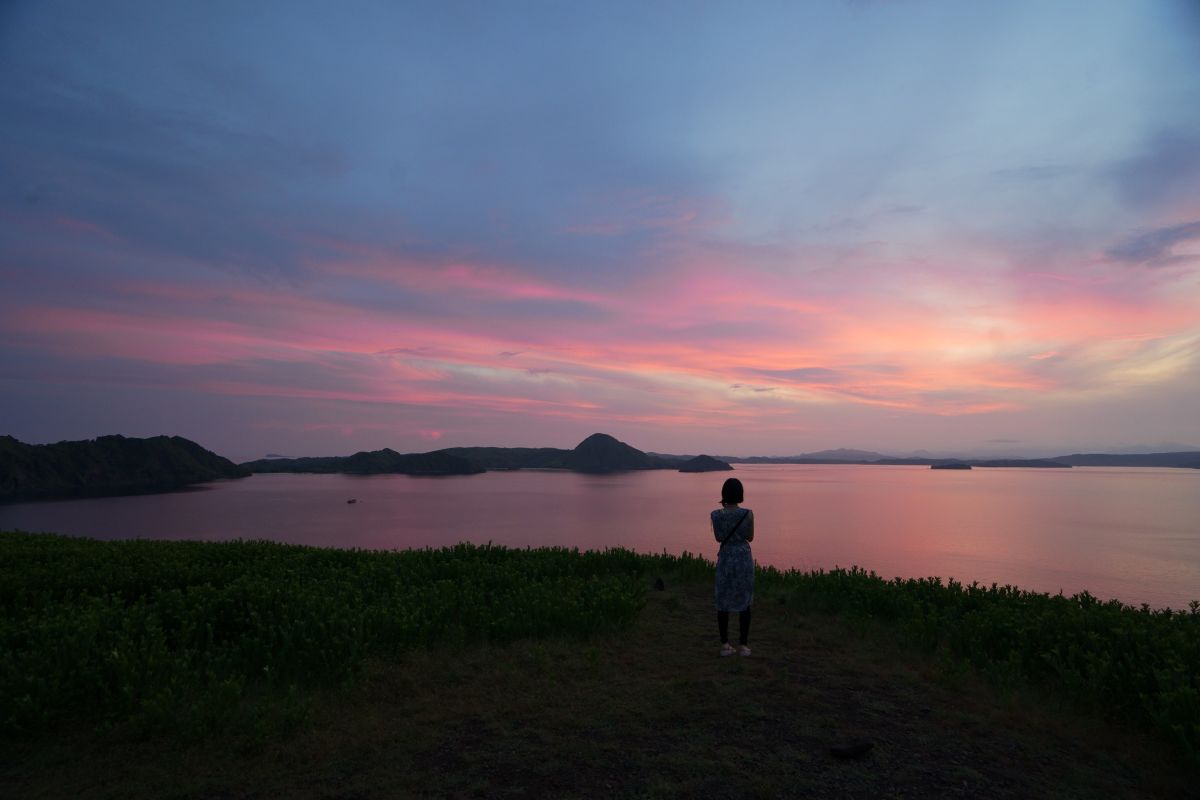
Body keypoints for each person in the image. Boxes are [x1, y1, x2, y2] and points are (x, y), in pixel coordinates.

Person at [712, 477, 754, 657]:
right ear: (740, 494)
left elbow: (719, 538)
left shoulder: (716, 515)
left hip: (726, 558)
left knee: (723, 601)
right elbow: (750, 537)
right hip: (743, 558)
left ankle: (725, 645)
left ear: (724, 494)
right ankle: (743, 646)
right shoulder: (748, 514)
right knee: (745, 601)